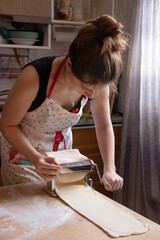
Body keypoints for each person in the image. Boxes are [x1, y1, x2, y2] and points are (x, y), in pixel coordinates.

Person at [0, 15, 127, 191]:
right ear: (69, 64)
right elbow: (7, 124)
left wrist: (110, 169)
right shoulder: (34, 78)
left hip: (61, 157)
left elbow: (104, 126)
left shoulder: (96, 81)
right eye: (85, 88)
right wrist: (36, 158)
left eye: (97, 89)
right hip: (23, 156)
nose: (91, 95)